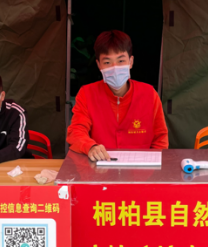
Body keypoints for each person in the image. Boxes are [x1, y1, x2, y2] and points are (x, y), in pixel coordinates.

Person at [66, 30, 168, 161]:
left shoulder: (149, 94)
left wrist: (152, 166)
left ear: (131, 61)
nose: (114, 68)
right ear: (99, 65)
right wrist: (90, 147)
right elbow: (76, 131)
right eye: (107, 62)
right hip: (99, 167)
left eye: (121, 61)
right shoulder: (86, 93)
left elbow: (160, 138)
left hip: (140, 169)